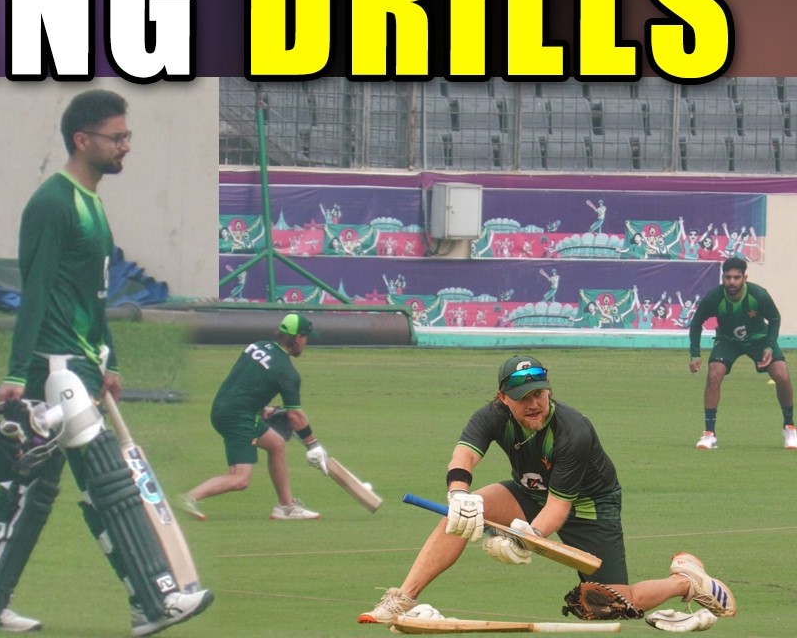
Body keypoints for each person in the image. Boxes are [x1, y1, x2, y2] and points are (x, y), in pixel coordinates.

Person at [0, 89, 213, 635]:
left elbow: (92, 297)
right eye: (116, 137)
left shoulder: (92, 203)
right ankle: (155, 601)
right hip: (55, 368)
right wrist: (15, 372)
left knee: (32, 490)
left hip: (80, 363)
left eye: (127, 136)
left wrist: (109, 360)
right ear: (82, 140)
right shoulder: (52, 203)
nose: (126, 146)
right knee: (110, 482)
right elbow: (36, 290)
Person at [359, 355, 738, 631]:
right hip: (529, 491)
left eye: (539, 393)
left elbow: (558, 507)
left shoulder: (573, 432)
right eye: (523, 397)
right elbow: (463, 456)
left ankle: (686, 581)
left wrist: (525, 539)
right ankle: (402, 599)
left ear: (549, 390)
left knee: (611, 604)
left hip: (588, 505)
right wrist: (458, 495)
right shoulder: (491, 416)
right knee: (461, 516)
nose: (534, 404)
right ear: (502, 398)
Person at [179, 313, 327, 521]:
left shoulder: (257, 346)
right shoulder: (287, 372)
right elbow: (295, 415)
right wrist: (312, 445)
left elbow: (245, 383)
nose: (306, 342)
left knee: (276, 445)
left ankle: (286, 507)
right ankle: (186, 498)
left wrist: (262, 408)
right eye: (306, 337)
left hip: (224, 408)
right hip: (238, 419)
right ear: (297, 338)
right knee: (240, 479)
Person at [687, 256, 795, 450]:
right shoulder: (714, 297)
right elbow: (696, 324)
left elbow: (775, 319)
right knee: (714, 374)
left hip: (759, 339)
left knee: (782, 375)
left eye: (736, 277)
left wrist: (769, 347)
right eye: (728, 277)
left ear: (745, 278)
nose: (732, 282)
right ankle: (709, 434)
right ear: (723, 278)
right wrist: (695, 354)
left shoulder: (758, 295)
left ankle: (789, 426)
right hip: (728, 341)